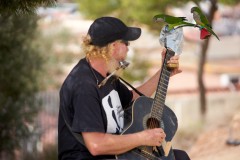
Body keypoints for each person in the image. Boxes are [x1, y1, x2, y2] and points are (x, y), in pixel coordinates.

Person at [58, 16, 190, 160]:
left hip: (116, 155)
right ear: (113, 46)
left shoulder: (106, 77)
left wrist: (163, 73)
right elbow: (96, 145)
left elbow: (132, 98)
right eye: (126, 43)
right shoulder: (84, 86)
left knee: (180, 157)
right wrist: (143, 137)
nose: (128, 49)